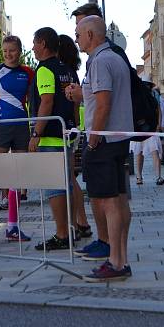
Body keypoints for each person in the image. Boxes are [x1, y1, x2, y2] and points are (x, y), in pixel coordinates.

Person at [68, 15, 134, 282]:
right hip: (117, 138)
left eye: (78, 33)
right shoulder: (115, 58)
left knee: (108, 201)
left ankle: (116, 261)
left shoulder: (99, 61)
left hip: (105, 140)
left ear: (91, 35)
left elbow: (104, 102)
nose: (76, 38)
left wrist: (93, 137)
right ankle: (120, 258)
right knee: (118, 198)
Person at [0, 35, 34, 246]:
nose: (8, 54)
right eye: (4, 51)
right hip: (1, 128)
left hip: (21, 128)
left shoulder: (28, 72)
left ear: (19, 50)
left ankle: (12, 226)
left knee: (17, 177)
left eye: (12, 50)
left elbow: (33, 100)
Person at [28, 27, 77, 251]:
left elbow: (46, 101)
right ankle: (71, 228)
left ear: (44, 44)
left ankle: (62, 234)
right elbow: (73, 102)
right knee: (66, 185)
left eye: (35, 43)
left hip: (50, 137)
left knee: (55, 189)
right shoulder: (66, 69)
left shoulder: (45, 70)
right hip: (66, 134)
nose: (33, 47)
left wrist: (36, 133)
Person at [57, 33, 93, 242]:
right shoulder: (73, 73)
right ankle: (82, 220)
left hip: (67, 129)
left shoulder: (64, 73)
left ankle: (81, 221)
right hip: (73, 128)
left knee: (69, 179)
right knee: (70, 178)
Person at [130, 79, 164, 186]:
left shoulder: (153, 96)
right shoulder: (137, 95)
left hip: (149, 128)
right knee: (140, 153)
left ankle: (156, 177)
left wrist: (158, 125)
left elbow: (158, 110)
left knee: (152, 152)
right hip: (140, 129)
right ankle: (140, 177)